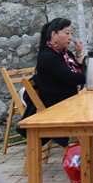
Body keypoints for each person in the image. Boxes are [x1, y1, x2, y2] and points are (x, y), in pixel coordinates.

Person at [17, 18, 85, 146]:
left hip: (71, 100)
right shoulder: (48, 56)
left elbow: (79, 73)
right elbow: (72, 78)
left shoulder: (65, 54)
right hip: (58, 106)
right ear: (54, 34)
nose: (70, 37)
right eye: (67, 33)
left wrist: (79, 54)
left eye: (71, 33)